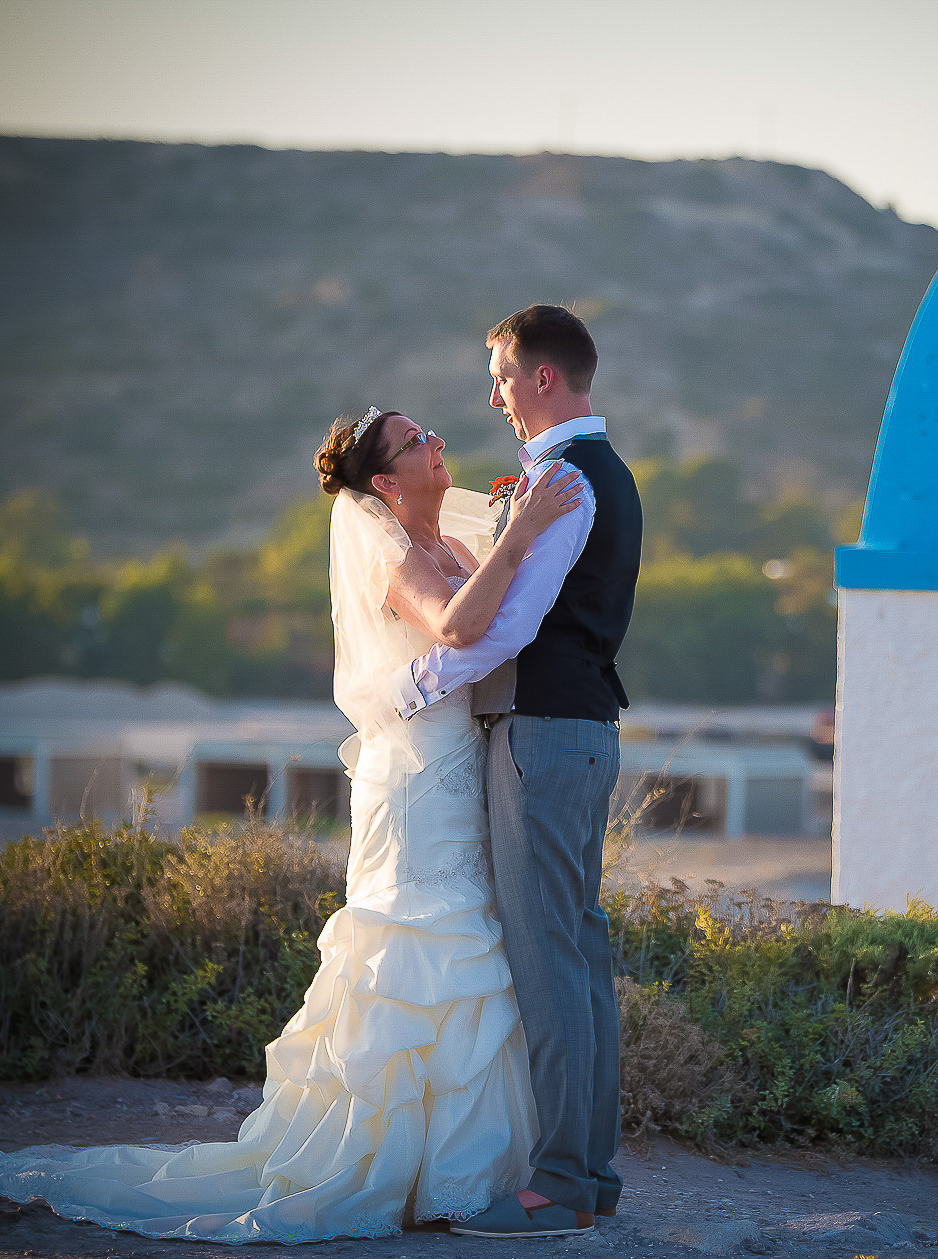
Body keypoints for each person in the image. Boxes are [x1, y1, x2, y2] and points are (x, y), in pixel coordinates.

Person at [0, 407, 584, 1243]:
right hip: (417, 778)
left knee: (467, 944)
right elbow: (457, 627)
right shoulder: (387, 550)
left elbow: (494, 617)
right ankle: (382, 1161)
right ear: (385, 482)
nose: (439, 445)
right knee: (418, 944)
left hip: (461, 764)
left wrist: (517, 537)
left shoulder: (452, 546)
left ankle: (454, 1168)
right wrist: (524, 527)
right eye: (419, 441)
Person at [387, 305, 642, 1240]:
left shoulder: (567, 480)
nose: (491, 394)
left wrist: (408, 689)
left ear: (541, 377)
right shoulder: (587, 474)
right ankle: (591, 1175)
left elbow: (509, 626)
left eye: (500, 375)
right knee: (578, 955)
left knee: (549, 961)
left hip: (542, 731)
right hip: (571, 730)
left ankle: (562, 1185)